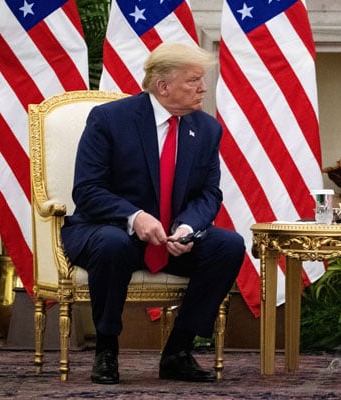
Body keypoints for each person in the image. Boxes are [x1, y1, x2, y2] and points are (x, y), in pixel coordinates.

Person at [61, 43, 245, 384]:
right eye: (193, 80)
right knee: (113, 243)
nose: (203, 88)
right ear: (163, 86)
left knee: (228, 246)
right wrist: (136, 217)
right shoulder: (110, 120)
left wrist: (187, 227)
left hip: (170, 238)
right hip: (109, 231)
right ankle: (106, 350)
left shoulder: (206, 129)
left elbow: (209, 193)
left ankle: (178, 350)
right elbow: (87, 190)